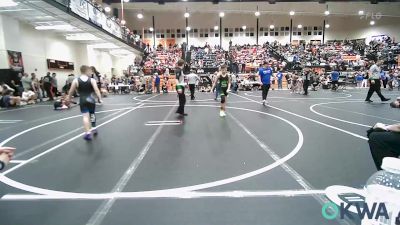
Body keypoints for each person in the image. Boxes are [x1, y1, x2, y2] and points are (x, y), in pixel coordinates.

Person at [66, 65, 103, 141]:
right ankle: (94, 128)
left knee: (85, 117)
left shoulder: (76, 80)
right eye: (89, 71)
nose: (90, 72)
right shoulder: (92, 80)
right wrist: (100, 98)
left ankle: (88, 133)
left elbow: (71, 91)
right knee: (92, 114)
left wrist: (68, 99)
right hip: (91, 99)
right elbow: (96, 90)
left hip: (83, 100)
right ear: (86, 71)